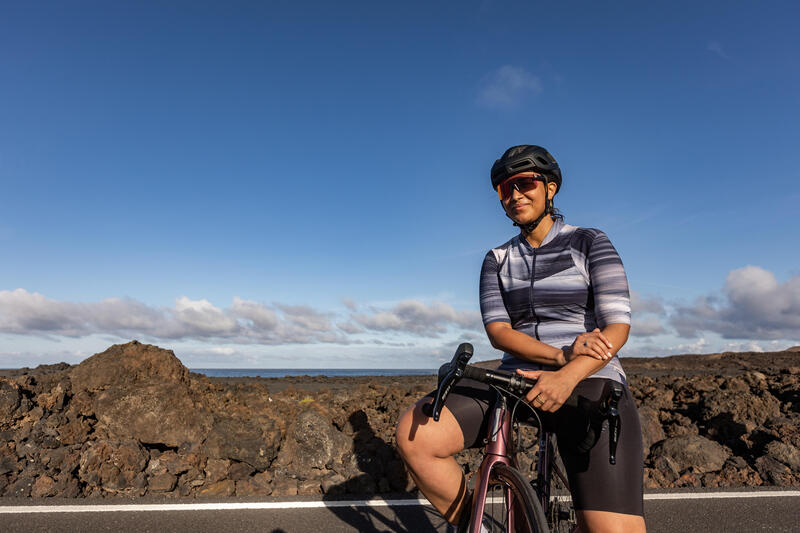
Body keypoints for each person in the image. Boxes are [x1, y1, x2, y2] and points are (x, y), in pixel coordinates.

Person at [396, 145, 646, 532]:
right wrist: (559, 357)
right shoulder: (496, 259)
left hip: (589, 375)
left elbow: (617, 328)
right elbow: (499, 333)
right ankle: (484, 528)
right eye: (503, 189)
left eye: (524, 183)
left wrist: (569, 372)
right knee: (416, 436)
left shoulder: (589, 242)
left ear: (550, 188)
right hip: (517, 378)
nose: (514, 195)